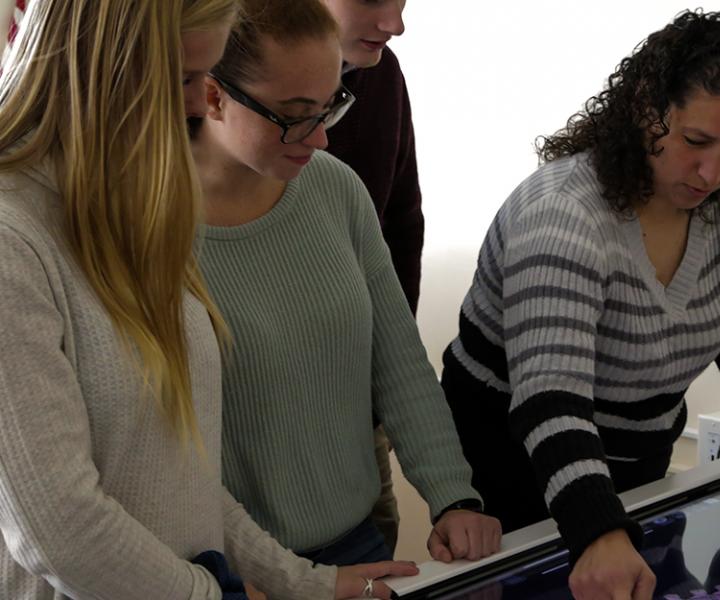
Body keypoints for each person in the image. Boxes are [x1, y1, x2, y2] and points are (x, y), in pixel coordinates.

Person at [438, 9, 720, 600]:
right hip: (521, 484)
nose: (714, 171)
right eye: (696, 141)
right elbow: (551, 399)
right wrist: (599, 532)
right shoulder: (563, 217)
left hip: (631, 483)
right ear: (644, 112)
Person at [0, 1, 416, 598]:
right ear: (101, 66)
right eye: (184, 80)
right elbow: (57, 529)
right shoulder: (14, 236)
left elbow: (180, 476)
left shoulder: (126, 205)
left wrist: (305, 584)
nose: (201, 104)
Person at [191, 0, 501, 569]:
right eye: (295, 113)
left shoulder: (337, 190)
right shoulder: (150, 232)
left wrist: (454, 496)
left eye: (330, 106)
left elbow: (400, 361)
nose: (322, 138)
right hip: (233, 567)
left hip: (357, 538)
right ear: (213, 96)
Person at [320, 0, 416, 555]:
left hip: (362, 394)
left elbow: (403, 222)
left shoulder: (384, 75)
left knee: (379, 543)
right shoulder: (210, 80)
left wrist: (388, 375)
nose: (395, 24)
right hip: (255, 414)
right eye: (372, 1)